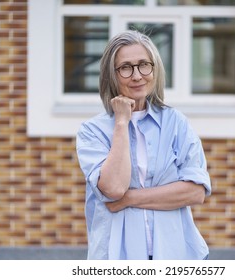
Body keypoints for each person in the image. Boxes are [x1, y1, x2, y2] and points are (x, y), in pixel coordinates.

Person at [76, 30, 211, 260]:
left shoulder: (176, 123)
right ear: (111, 76)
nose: (137, 75)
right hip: (117, 257)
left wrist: (129, 199)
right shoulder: (93, 131)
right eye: (126, 68)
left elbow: (196, 191)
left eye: (144, 65)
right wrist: (121, 123)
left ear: (154, 69)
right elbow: (114, 188)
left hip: (176, 254)